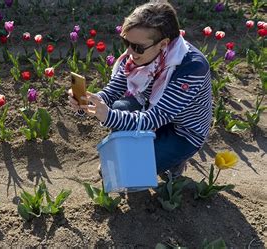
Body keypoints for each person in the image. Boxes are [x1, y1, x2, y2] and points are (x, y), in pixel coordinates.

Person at [68, 1, 212, 177]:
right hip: (149, 110)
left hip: (182, 131)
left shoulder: (191, 67)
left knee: (128, 174)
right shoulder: (137, 56)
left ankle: (175, 160)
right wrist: (85, 102)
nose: (129, 51)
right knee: (119, 108)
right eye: (126, 42)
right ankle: (141, 154)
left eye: (137, 47)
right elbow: (112, 92)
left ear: (163, 44)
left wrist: (108, 116)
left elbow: (156, 118)